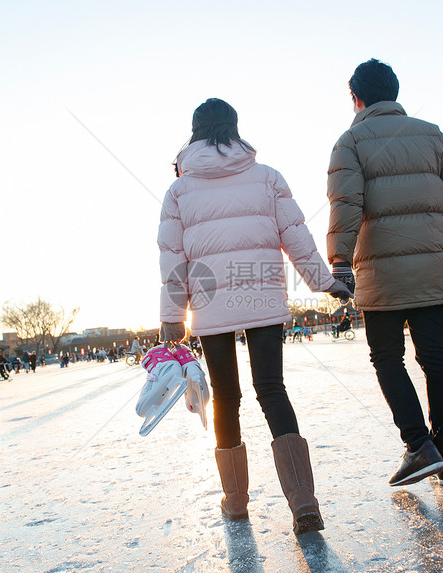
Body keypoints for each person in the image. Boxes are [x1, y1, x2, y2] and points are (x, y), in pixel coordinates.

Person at [155, 98, 352, 534]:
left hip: (208, 304)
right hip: (261, 295)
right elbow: (295, 236)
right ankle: (303, 502)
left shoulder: (179, 191)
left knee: (226, 398)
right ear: (234, 128)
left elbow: (173, 258)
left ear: (195, 132)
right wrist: (324, 281)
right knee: (272, 390)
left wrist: (173, 315)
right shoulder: (267, 177)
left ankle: (236, 501)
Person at [326, 59, 443, 488]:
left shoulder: (350, 142)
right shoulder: (432, 135)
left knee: (387, 358)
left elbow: (345, 207)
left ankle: (418, 445)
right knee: (436, 357)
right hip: (429, 267)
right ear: (395, 93)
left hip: (379, 275)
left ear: (356, 98)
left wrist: (339, 263)